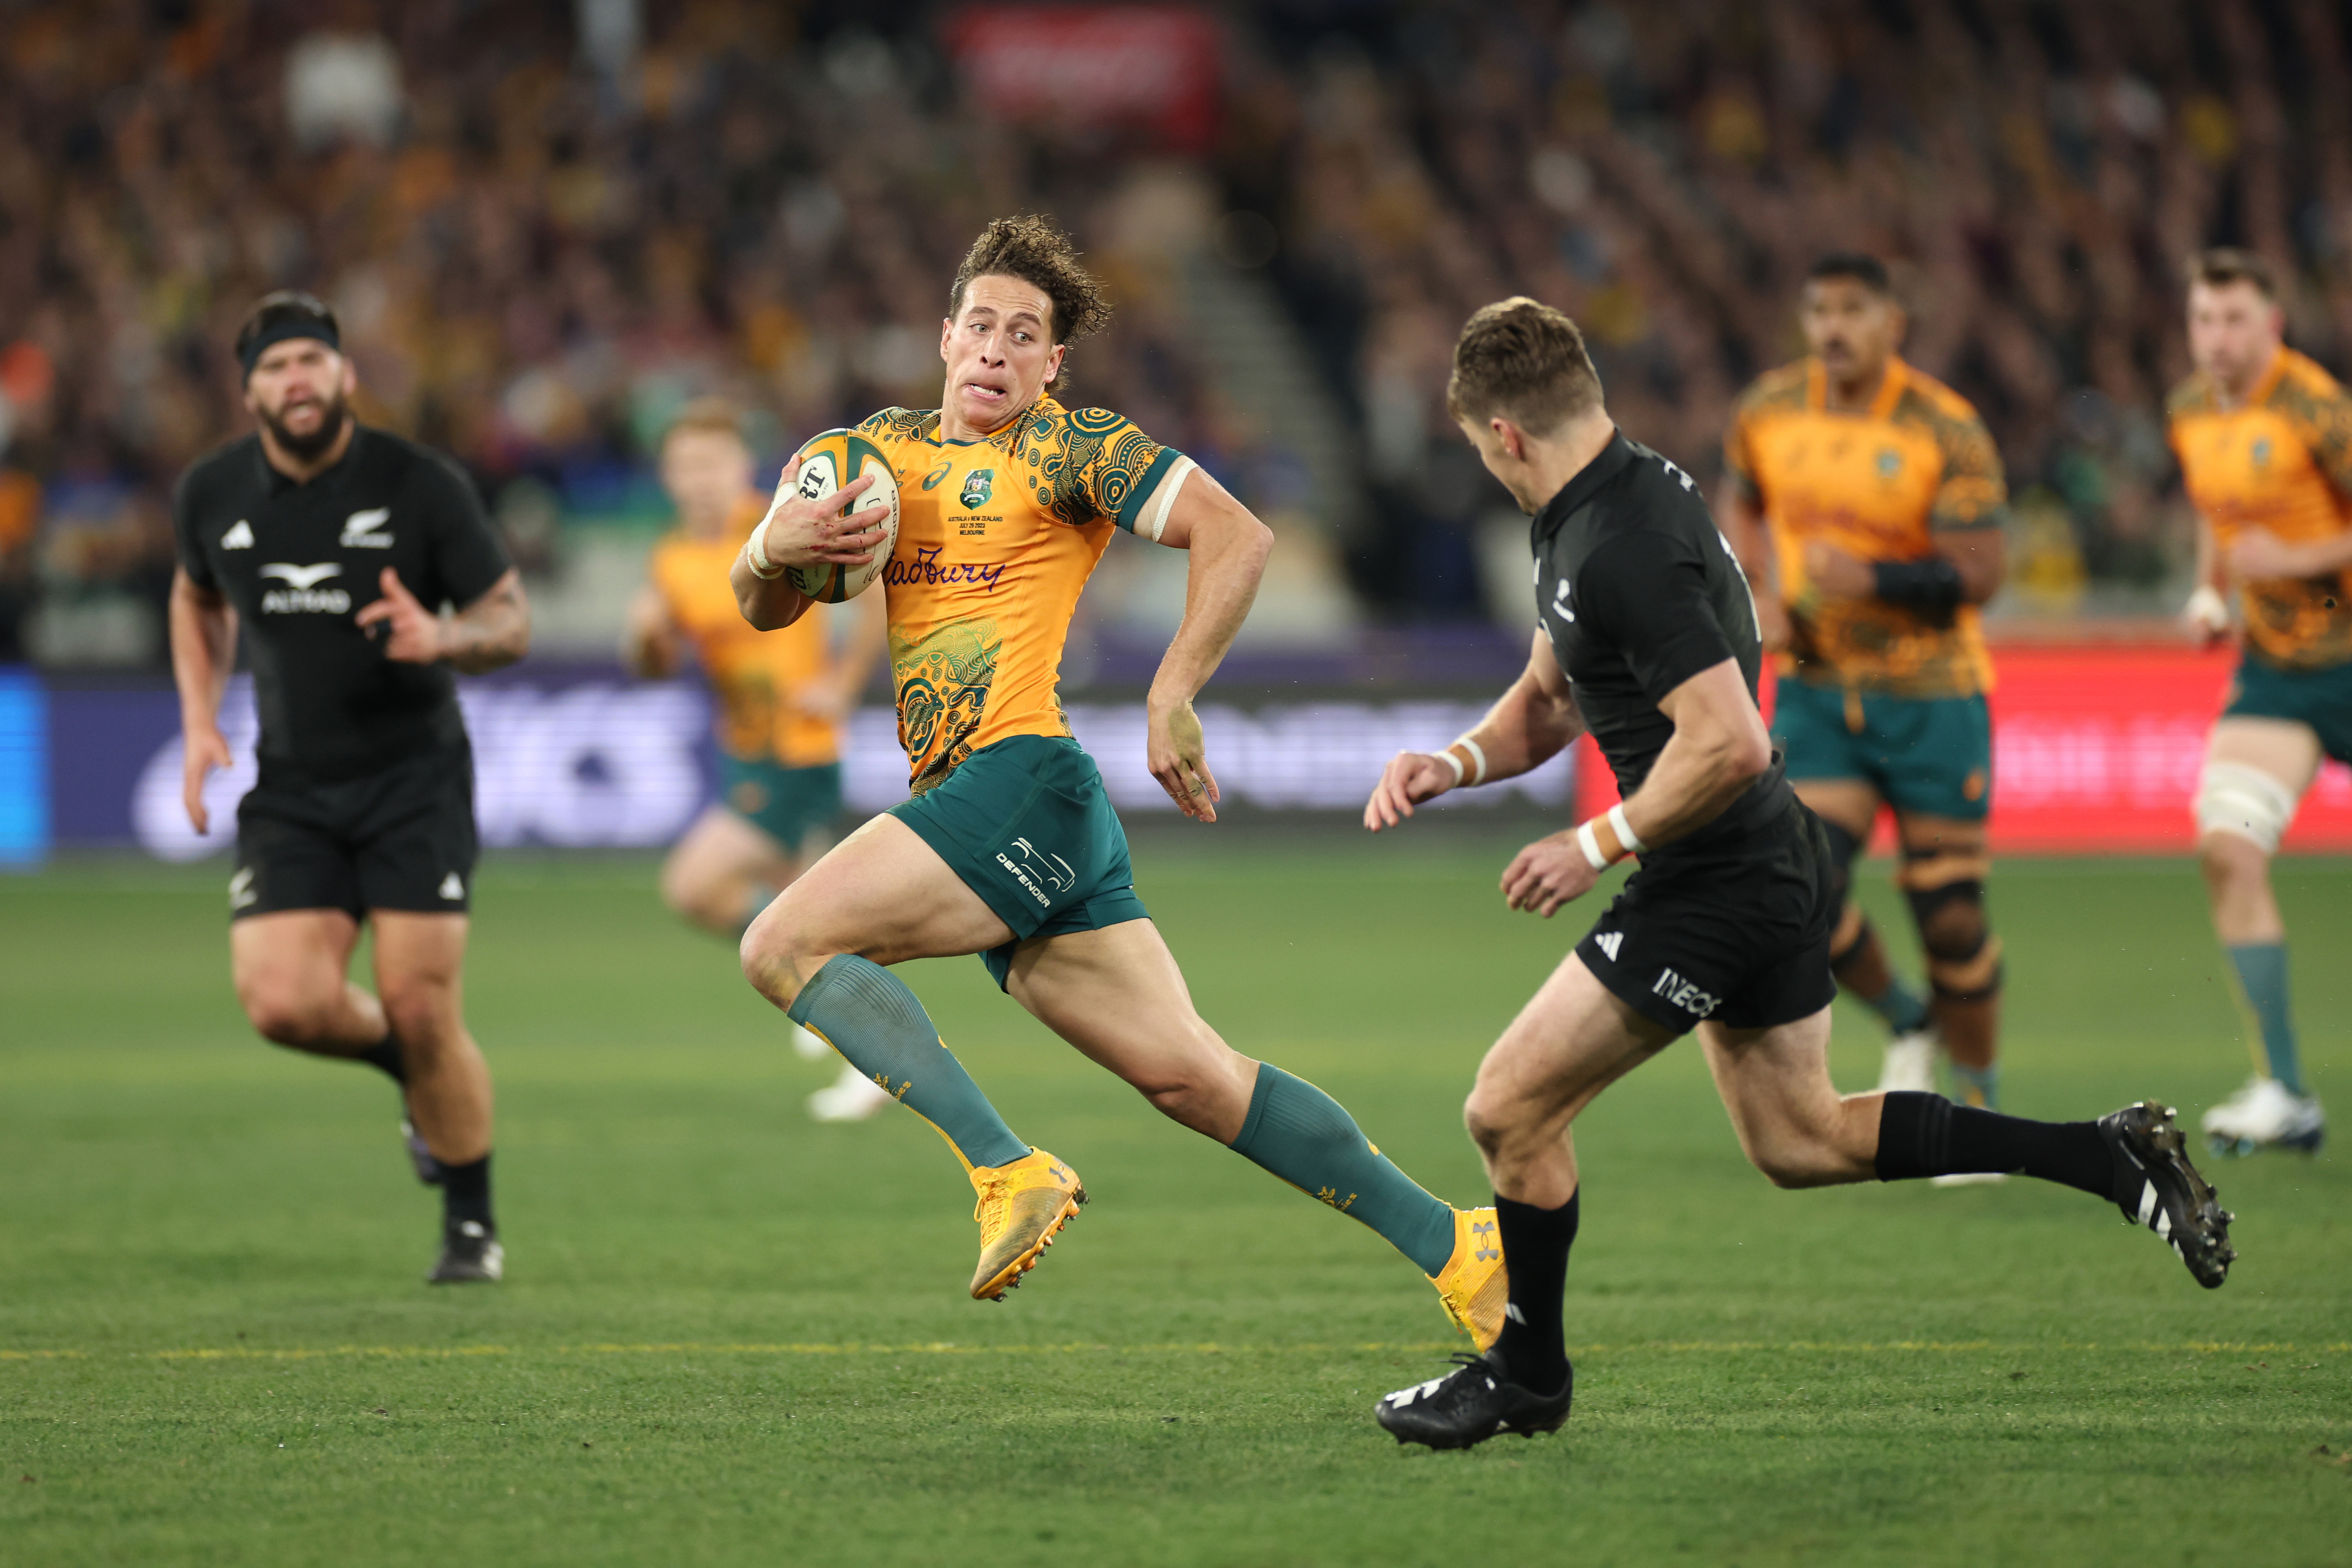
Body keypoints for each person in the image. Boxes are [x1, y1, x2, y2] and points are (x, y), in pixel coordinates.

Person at [1360, 297, 2234, 1452]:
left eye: (1480, 446)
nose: (1485, 463)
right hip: (1760, 857)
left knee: (1507, 1107)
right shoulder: (1596, 504)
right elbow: (1550, 696)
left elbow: (1728, 740)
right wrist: (1455, 762)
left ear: (1505, 435)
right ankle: (2102, 1153)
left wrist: (1592, 842)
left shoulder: (1623, 544)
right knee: (1799, 1139)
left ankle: (1526, 1375)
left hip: (1715, 873)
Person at [728, 215, 1506, 1339]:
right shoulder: (871, 457)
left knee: (782, 943)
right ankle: (1457, 1244)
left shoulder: (1071, 449)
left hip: (1019, 779)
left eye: (1024, 336)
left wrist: (1169, 691)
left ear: (1052, 364)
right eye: (981, 325)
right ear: (944, 337)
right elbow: (764, 606)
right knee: (1197, 1079)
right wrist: (772, 546)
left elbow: (1235, 535)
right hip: (1013, 808)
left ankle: (1006, 1167)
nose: (996, 350)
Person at [170, 290, 529, 1283]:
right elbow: (195, 596)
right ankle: (410, 1074)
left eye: (312, 361)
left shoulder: (419, 485)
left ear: (345, 376)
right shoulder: (211, 493)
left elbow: (509, 622)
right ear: (249, 393)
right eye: (276, 368)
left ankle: (471, 1225)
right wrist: (198, 718)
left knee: (421, 1003)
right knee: (283, 1003)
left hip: (415, 780)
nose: (297, 380)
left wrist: (443, 636)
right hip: (293, 783)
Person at [1717, 254, 2010, 1124]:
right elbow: (1740, 501)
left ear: (1894, 323)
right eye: (1819, 311)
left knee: (1949, 915)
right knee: (1802, 886)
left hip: (1932, 698)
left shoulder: (1944, 428)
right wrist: (1761, 589)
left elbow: (1982, 573)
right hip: (1819, 692)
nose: (1833, 328)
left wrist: (1872, 579)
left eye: (1853, 310)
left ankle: (1977, 1106)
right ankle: (1908, 1016)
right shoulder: (1769, 411)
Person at [624, 397, 890, 1122]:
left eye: (713, 462)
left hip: (796, 749)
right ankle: (867, 1045)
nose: (699, 479)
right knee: (808, 921)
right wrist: (646, 640)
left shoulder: (784, 525)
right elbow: (652, 665)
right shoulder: (673, 558)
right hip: (742, 753)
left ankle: (837, 996)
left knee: (696, 887)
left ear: (743, 466)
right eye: (685, 465)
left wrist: (842, 684)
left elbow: (873, 594)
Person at [2168, 248, 2346, 1156]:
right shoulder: (2191, 411)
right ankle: (2284, 1092)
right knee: (2227, 850)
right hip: (2280, 672)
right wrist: (2211, 589)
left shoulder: (2316, 409)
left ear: (2272, 324)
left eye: (2235, 320)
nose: (2218, 339)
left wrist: (2297, 559)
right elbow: (2218, 508)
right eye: (2204, 319)